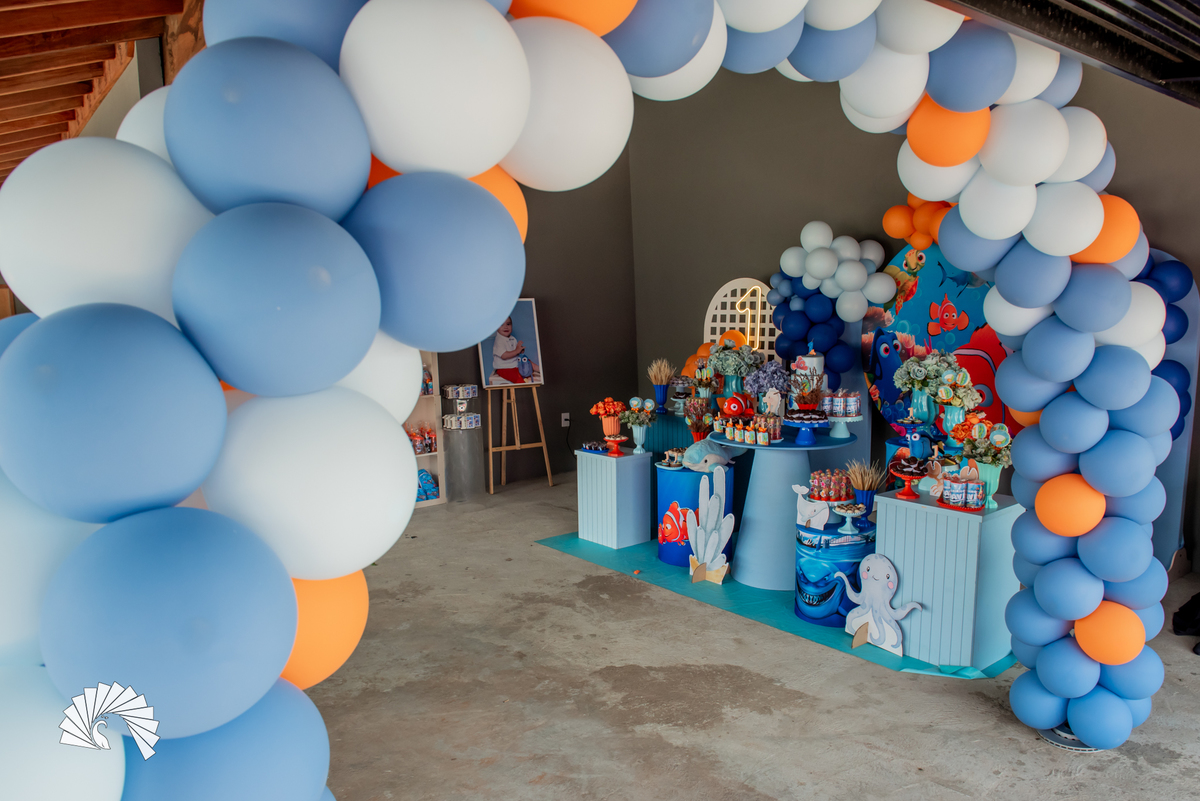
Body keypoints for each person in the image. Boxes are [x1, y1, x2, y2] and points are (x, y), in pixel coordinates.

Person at [489, 316, 540, 385]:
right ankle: (523, 385)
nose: (506, 327)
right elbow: (504, 355)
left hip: (515, 364)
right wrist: (516, 351)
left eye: (508, 324)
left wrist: (520, 350)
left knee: (528, 361)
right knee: (517, 377)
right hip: (504, 368)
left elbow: (515, 352)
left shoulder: (513, 338)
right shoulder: (499, 340)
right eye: (501, 324)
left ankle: (540, 370)